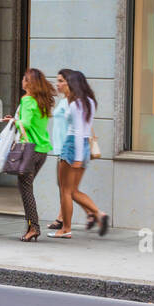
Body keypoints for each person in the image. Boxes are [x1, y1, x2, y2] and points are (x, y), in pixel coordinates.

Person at [49, 68, 109, 237]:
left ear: (73, 83)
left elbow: (76, 131)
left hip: (71, 146)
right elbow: (86, 130)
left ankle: (65, 229)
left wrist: (75, 158)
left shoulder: (75, 104)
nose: (59, 84)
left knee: (66, 191)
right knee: (73, 190)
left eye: (62, 81)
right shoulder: (89, 101)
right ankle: (98, 214)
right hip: (84, 146)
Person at [10, 68, 55, 242]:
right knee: (26, 187)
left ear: (29, 83)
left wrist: (14, 120)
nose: (22, 80)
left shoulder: (28, 99)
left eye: (24, 78)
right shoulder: (42, 101)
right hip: (42, 150)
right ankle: (32, 226)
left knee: (26, 190)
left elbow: (26, 124)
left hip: (30, 150)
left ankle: (33, 227)